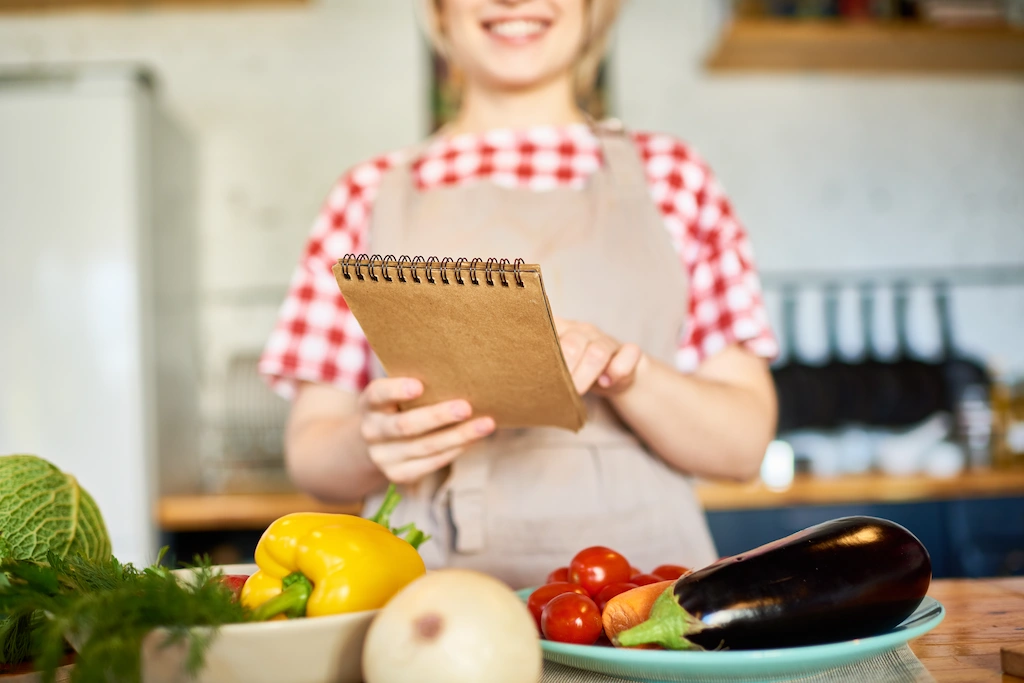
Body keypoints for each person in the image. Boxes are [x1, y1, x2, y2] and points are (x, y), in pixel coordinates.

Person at [259, 0, 779, 588]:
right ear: (438, 10)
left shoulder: (675, 179)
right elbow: (311, 454)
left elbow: (742, 448)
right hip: (427, 591)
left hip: (642, 591)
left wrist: (630, 373)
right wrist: (368, 442)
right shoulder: (366, 194)